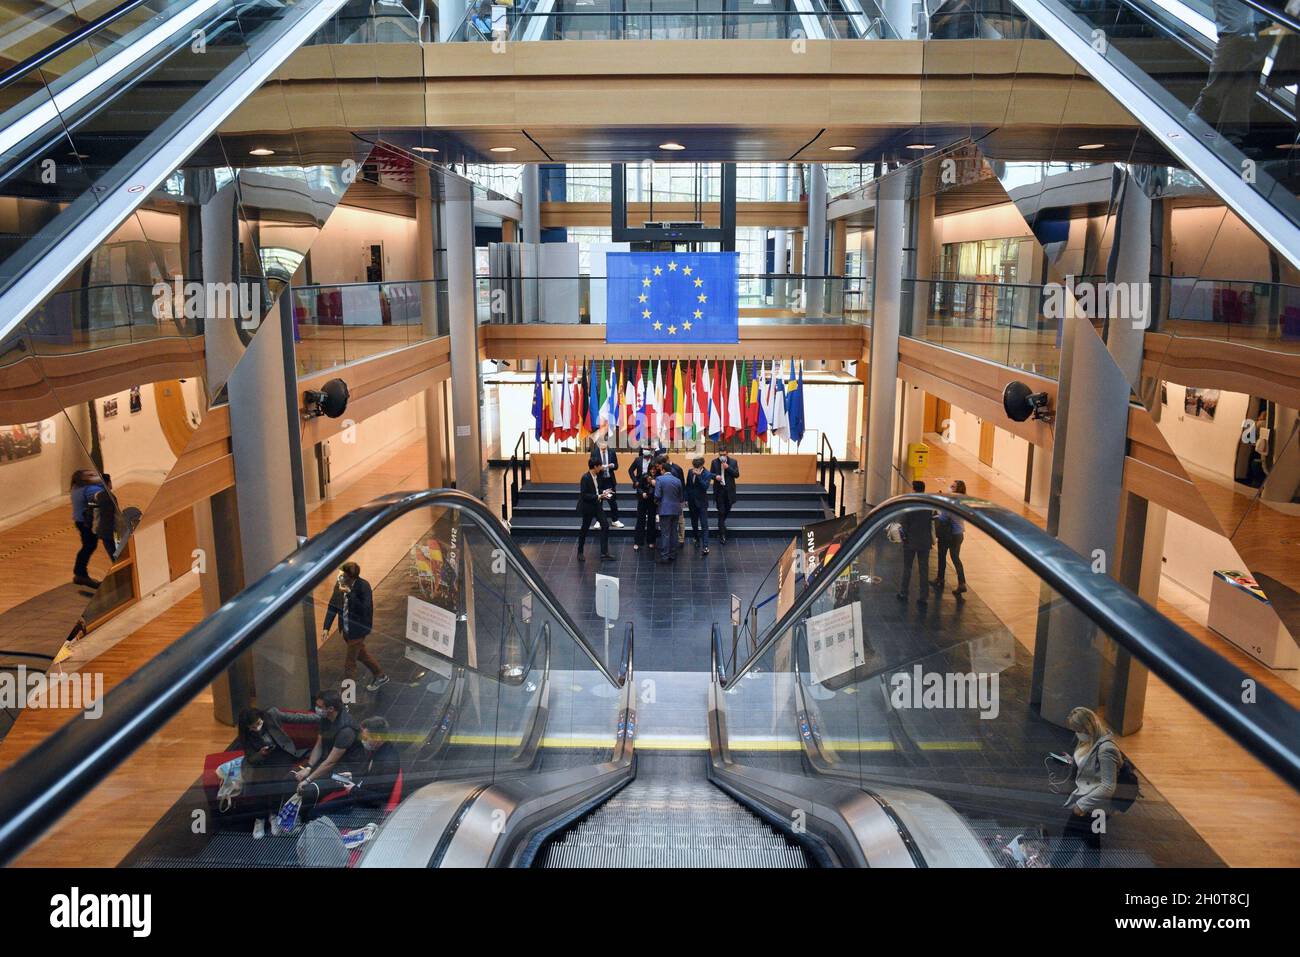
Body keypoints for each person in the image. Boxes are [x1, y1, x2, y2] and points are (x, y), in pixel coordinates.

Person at [1051, 707, 1121, 868]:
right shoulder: (1088, 740)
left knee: (1071, 837)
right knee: (1091, 842)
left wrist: (1082, 805)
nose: (1076, 733)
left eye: (1078, 729)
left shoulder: (1106, 749)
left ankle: (1053, 866)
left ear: (1087, 727)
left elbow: (1108, 785)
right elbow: (1089, 766)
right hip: (1087, 801)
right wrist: (1071, 761)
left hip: (1094, 806)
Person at [299, 715, 401, 820]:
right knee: (316, 811)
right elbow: (371, 778)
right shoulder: (379, 751)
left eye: (366, 738)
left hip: (366, 809)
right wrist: (353, 777)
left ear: (378, 738)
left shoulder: (388, 761)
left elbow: (380, 798)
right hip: (358, 797)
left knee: (315, 815)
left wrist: (353, 789)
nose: (363, 740)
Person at [322, 562, 389, 692]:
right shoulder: (339, 585)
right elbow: (332, 606)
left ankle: (347, 697)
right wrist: (326, 627)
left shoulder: (363, 586)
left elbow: (365, 609)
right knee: (361, 655)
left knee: (350, 664)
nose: (338, 576)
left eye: (342, 574)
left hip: (358, 630)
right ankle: (380, 675)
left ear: (350, 577)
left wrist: (350, 593)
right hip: (346, 630)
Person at [239, 707, 306, 836]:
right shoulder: (246, 735)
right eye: (253, 727)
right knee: (256, 782)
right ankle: (260, 818)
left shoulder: (271, 715)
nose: (257, 728)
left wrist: (318, 717)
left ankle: (274, 814)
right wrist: (260, 753)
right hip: (262, 759)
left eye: (258, 724)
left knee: (276, 778)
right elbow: (251, 757)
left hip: (281, 755)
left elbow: (297, 717)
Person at [293, 690, 369, 800]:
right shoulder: (325, 719)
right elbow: (319, 745)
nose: (316, 708)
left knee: (310, 789)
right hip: (328, 763)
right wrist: (309, 767)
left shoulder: (346, 730)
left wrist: (308, 780)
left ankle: (305, 816)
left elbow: (331, 762)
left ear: (331, 709)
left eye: (319, 706)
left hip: (345, 771)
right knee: (293, 776)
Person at [896, 480, 934, 607]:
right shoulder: (928, 505)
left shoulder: (909, 504)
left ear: (913, 489)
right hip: (925, 541)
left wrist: (903, 538)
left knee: (907, 567)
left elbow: (903, 524)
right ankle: (923, 596)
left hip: (910, 541)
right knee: (924, 569)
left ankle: (904, 592)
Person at [932, 479, 968, 597]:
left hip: (948, 534)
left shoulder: (951, 503)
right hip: (959, 534)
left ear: (957, 490)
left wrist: (937, 510)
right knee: (955, 558)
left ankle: (940, 578)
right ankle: (962, 583)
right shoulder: (962, 501)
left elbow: (943, 518)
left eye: (952, 487)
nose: (949, 487)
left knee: (942, 555)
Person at [70, 468, 104, 588]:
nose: (95, 475)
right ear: (83, 478)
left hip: (81, 522)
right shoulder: (89, 488)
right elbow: (100, 498)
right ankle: (80, 574)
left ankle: (80, 574)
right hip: (86, 523)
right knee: (88, 546)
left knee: (88, 546)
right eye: (90, 474)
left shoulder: (75, 487)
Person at [576, 458, 614, 562]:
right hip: (588, 507)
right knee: (584, 529)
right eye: (600, 466)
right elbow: (584, 495)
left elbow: (597, 490)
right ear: (595, 466)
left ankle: (604, 553)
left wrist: (604, 492)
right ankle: (580, 552)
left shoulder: (597, 476)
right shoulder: (585, 477)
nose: (602, 467)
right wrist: (599, 496)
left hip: (597, 506)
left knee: (605, 525)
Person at [589, 438, 625, 528]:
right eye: (601, 443)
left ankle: (615, 520)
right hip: (599, 480)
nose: (603, 445)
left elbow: (616, 466)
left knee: (612, 501)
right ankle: (598, 520)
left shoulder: (612, 452)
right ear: (598, 444)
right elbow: (591, 465)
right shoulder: (594, 452)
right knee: (598, 501)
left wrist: (611, 466)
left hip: (609, 480)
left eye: (605, 443)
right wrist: (599, 468)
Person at [653, 462, 684, 564]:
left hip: (665, 509)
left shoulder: (659, 479)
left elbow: (657, 495)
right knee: (674, 532)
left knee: (665, 533)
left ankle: (665, 556)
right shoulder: (678, 480)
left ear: (663, 470)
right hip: (676, 509)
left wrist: (657, 503)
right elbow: (681, 497)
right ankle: (673, 554)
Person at [628, 446, 658, 553]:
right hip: (642, 492)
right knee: (640, 519)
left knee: (651, 519)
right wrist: (635, 481)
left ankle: (651, 541)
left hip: (652, 495)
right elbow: (630, 470)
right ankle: (638, 541)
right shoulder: (638, 460)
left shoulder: (655, 461)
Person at [685, 456, 715, 555]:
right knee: (694, 523)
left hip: (702, 503)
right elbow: (688, 486)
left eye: (697, 466)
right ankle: (696, 538)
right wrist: (686, 499)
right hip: (692, 502)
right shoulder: (690, 471)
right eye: (694, 466)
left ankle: (705, 546)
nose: (695, 468)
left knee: (704, 524)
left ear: (702, 465)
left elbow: (705, 487)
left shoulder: (707, 474)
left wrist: (698, 476)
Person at [709, 451, 740, 543]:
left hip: (729, 491)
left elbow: (737, 474)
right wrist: (715, 477)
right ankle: (722, 534)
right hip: (719, 491)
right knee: (721, 512)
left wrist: (728, 468)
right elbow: (711, 474)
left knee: (727, 509)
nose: (722, 456)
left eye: (724, 454)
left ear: (727, 454)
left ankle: (721, 524)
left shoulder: (733, 462)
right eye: (720, 454)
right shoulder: (714, 462)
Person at [92, 473, 120, 562]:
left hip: (103, 533)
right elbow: (117, 516)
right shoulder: (112, 497)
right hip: (114, 532)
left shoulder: (96, 497)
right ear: (108, 483)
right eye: (110, 481)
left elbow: (96, 516)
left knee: (113, 557)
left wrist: (95, 530)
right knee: (119, 555)